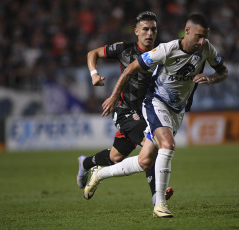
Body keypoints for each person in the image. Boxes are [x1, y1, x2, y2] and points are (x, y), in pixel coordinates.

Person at [84, 14, 228, 218]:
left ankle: (99, 172)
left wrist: (211, 78)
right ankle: (159, 203)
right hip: (153, 103)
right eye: (198, 36)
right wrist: (113, 94)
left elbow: (223, 71)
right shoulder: (164, 50)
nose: (202, 41)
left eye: (205, 37)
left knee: (144, 160)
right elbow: (130, 68)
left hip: (177, 110)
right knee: (167, 145)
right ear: (186, 31)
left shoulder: (206, 49)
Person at [76, 11, 174, 205]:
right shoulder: (124, 50)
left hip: (148, 112)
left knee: (115, 157)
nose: (149, 34)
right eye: (145, 29)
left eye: (153, 29)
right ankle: (156, 195)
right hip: (125, 110)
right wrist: (94, 74)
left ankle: (86, 163)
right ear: (136, 31)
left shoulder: (161, 55)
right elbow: (92, 54)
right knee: (151, 143)